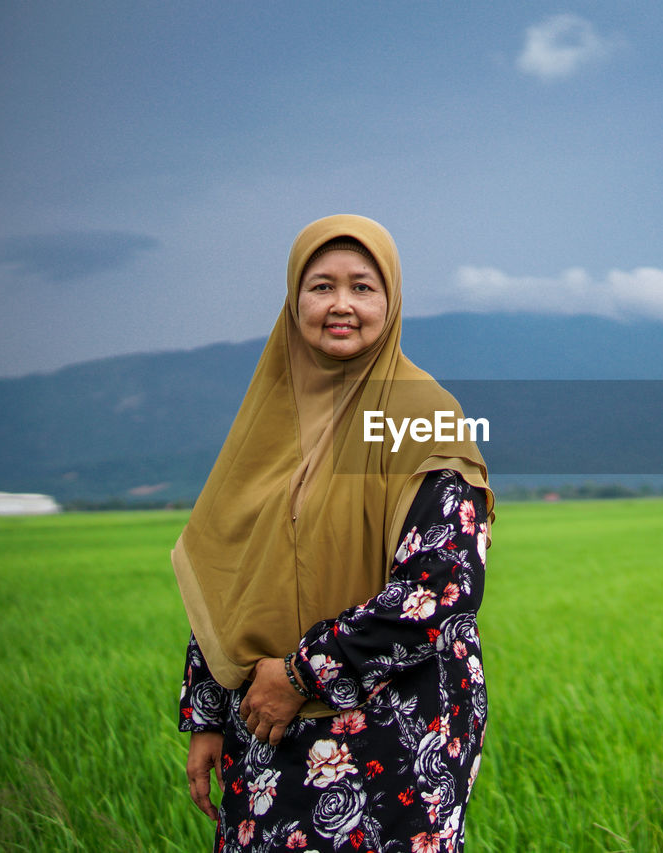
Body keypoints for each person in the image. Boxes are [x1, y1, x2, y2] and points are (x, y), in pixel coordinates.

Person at [174, 214, 493, 853]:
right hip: (263, 727)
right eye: (320, 287)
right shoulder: (270, 418)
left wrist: (299, 675)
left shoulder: (421, 414)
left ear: (391, 301)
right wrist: (208, 715)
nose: (341, 305)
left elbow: (440, 588)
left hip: (393, 731)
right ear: (294, 303)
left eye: (363, 287)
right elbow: (231, 571)